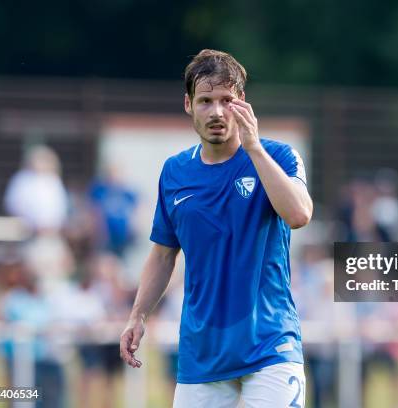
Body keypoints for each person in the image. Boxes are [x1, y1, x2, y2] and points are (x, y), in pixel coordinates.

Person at [120, 49, 313, 408]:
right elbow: (163, 254)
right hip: (202, 353)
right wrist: (137, 315)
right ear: (188, 105)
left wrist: (253, 147)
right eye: (206, 101)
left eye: (227, 100)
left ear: (242, 104)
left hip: (270, 345)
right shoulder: (175, 172)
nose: (217, 112)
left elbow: (299, 214)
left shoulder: (278, 156)